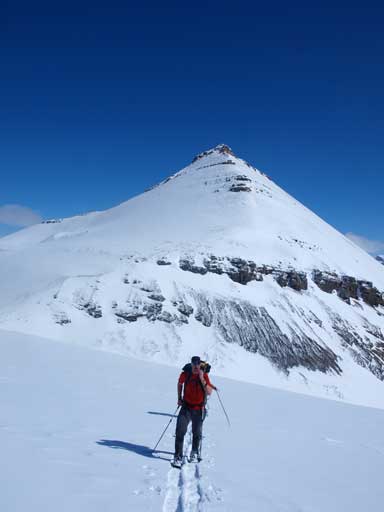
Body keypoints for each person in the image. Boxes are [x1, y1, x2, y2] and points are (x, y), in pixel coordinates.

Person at [172, 355, 216, 466]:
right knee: (180, 431)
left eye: (197, 365)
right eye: (194, 364)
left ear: (200, 365)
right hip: (186, 407)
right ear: (191, 364)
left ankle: (194, 451)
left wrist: (201, 378)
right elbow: (179, 383)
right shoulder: (186, 374)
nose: (196, 367)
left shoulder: (204, 375)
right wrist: (179, 398)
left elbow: (209, 391)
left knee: (196, 432)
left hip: (199, 409)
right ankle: (178, 456)